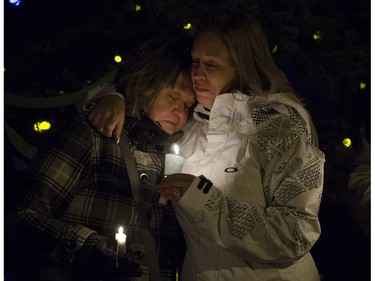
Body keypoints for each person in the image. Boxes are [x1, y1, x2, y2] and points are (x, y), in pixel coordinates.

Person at [83, 6, 325, 281]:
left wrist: (204, 199)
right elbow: (144, 100)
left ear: (243, 66)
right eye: (195, 61)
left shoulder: (278, 125)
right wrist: (112, 95)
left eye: (211, 65)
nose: (197, 74)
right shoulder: (191, 122)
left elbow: (294, 235)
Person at [5, 35, 195, 281]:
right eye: (172, 97)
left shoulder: (174, 158)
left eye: (188, 106)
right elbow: (19, 218)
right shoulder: (92, 135)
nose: (180, 112)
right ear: (144, 83)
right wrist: (86, 247)